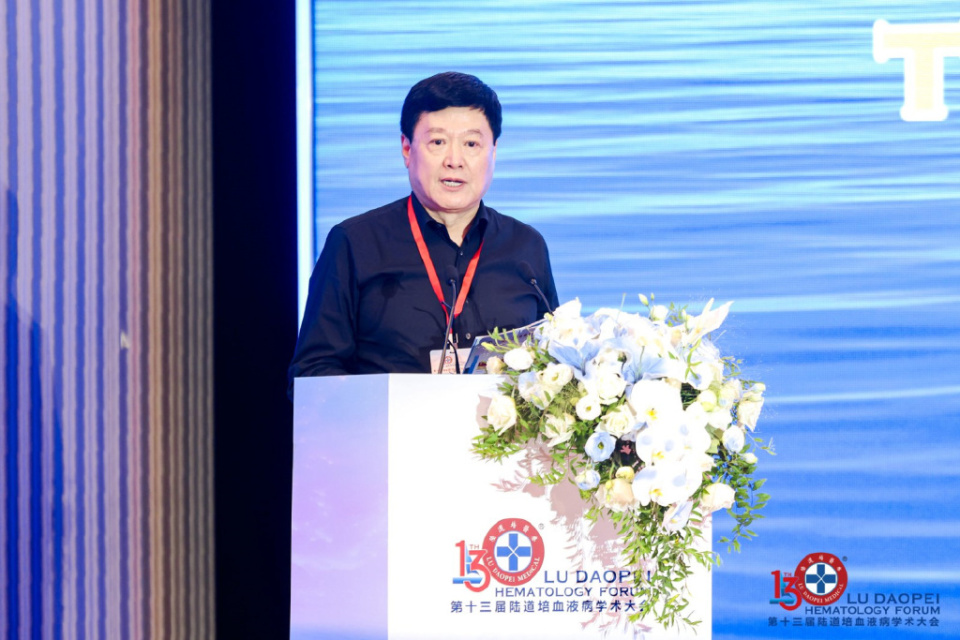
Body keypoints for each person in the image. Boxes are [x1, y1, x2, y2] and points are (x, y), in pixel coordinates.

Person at [288, 72, 558, 392]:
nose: (454, 161)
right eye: (438, 142)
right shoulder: (355, 243)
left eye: (471, 144)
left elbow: (554, 365)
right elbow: (313, 372)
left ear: (493, 151)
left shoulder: (526, 247)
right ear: (407, 148)